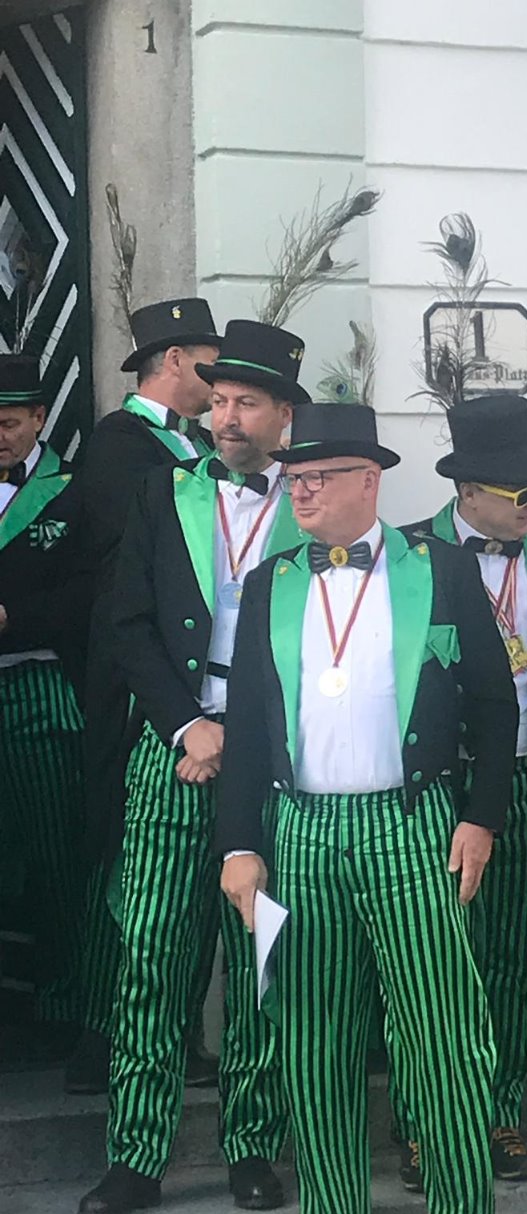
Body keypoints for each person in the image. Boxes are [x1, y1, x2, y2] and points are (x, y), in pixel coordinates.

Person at [216, 402, 517, 1214]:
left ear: (369, 481)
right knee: (315, 1043)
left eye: (318, 477)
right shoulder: (271, 581)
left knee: (444, 1037)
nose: (300, 491)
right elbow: (247, 726)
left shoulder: (442, 570)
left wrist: (481, 817)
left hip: (412, 823)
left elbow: (495, 705)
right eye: (294, 478)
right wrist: (239, 843)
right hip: (302, 829)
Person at [77, 319, 307, 1214]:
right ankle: (136, 1154)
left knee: (260, 958)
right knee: (153, 956)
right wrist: (184, 725)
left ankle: (251, 1145)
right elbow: (124, 626)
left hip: (273, 762)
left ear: (284, 415)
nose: (226, 417)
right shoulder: (158, 492)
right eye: (218, 400)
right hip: (174, 750)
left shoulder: (314, 502)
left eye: (246, 402)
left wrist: (250, 739)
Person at [402, 394, 527, 1183]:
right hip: (440, 791)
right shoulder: (410, 556)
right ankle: (429, 1125)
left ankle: (499, 1114)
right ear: (468, 491)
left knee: (516, 959)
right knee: (436, 963)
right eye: (521, 493)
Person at [69, 297, 223, 1093]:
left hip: (192, 685)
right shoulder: (119, 445)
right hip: (134, 682)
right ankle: (104, 1035)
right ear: (172, 360)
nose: (219, 385)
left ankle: (179, 1033)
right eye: (210, 366)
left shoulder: (196, 446)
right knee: (127, 861)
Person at [0, 354, 88, 1040]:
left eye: (8, 422)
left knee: (57, 853)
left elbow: (88, 595)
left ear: (38, 418)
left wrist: (14, 619)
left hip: (37, 685)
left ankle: (66, 1006)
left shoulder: (71, 492)